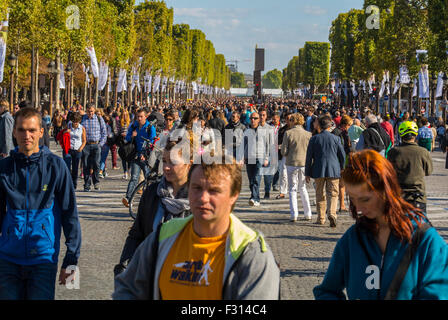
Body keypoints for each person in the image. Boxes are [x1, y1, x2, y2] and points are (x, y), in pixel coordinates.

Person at [112, 156, 280, 300]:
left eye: (214, 190)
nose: (203, 198)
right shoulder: (164, 235)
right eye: (197, 188)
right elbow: (127, 288)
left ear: (233, 196)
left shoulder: (252, 252)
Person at [313, 150, 448, 300]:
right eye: (352, 199)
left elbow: (439, 293)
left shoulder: (425, 239)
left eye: (365, 199)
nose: (357, 208)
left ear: (386, 191)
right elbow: (326, 290)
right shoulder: (353, 238)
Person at [0, 107, 82, 300]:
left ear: (41, 132)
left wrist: (71, 260)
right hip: (8, 258)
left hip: (43, 258)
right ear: (14, 131)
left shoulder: (56, 166)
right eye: (21, 129)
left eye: (31, 130)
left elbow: (70, 213)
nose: (26, 135)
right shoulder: (4, 168)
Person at [114, 140, 192, 276]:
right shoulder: (152, 192)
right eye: (164, 161)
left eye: (172, 162)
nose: (166, 167)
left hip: (186, 278)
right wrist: (123, 267)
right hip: (152, 273)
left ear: (188, 165)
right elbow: (136, 234)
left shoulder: (199, 198)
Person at [305, 115, 346, 227]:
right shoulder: (336, 138)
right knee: (333, 193)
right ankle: (332, 213)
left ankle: (321, 218)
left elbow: (309, 157)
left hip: (318, 169)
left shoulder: (314, 139)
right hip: (333, 169)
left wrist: (307, 172)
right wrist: (342, 167)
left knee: (319, 194)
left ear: (320, 126)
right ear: (329, 126)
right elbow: (342, 155)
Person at [387, 121, 433, 212]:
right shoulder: (423, 151)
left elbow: (388, 172)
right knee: (419, 224)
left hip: (399, 194)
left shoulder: (394, 152)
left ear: (401, 135)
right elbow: (428, 171)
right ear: (415, 135)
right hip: (418, 196)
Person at [122, 108, 156, 208]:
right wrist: (132, 136)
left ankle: (151, 198)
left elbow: (152, 142)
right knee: (134, 177)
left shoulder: (150, 128)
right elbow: (127, 138)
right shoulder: (134, 126)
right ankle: (128, 198)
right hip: (136, 155)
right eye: (138, 116)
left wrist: (145, 154)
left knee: (148, 178)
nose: (139, 118)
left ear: (146, 117)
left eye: (141, 116)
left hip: (146, 157)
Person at [281, 113, 312, 222]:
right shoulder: (308, 134)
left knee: (292, 189)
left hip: (292, 163)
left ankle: (294, 214)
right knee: (303, 188)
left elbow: (284, 151)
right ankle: (308, 213)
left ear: (292, 121)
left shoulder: (288, 133)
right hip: (304, 163)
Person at [80, 104, 107, 192]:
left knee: (96, 163)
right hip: (86, 145)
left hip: (96, 145)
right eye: (88, 111)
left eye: (91, 111)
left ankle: (96, 182)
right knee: (86, 165)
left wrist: (100, 144)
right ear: (86, 111)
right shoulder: (83, 119)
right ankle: (87, 185)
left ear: (94, 110)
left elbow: (104, 132)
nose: (90, 113)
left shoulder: (99, 119)